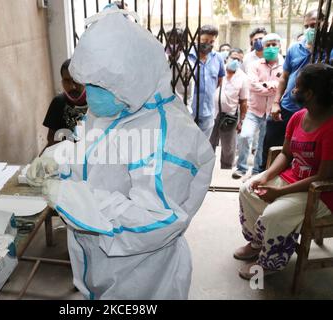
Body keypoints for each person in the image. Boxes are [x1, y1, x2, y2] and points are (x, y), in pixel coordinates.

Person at [27, 6, 215, 299]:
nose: (89, 93)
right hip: (99, 265)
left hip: (141, 275)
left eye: (97, 84)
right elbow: (92, 155)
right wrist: (56, 161)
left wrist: (70, 197)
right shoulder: (116, 107)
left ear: (131, 77)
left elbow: (153, 220)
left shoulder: (170, 136)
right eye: (86, 82)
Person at [234, 63, 333, 279]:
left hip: (320, 193)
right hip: (293, 179)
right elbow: (286, 154)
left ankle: (270, 262)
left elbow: (323, 177)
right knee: (248, 189)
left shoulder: (330, 128)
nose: (292, 91)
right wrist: (266, 177)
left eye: (296, 87)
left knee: (273, 215)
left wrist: (279, 193)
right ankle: (257, 243)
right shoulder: (298, 117)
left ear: (310, 93)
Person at [259, 10, 319, 172]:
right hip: (286, 107)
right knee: (271, 143)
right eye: (306, 26)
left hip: (311, 112)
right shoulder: (295, 49)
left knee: (300, 151)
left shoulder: (328, 51)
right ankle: (262, 174)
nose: (310, 30)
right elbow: (284, 78)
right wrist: (276, 103)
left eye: (313, 25)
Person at [233, 34, 283, 179]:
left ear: (279, 46)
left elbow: (282, 85)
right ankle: (241, 168)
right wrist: (273, 86)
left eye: (274, 44)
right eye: (268, 45)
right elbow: (252, 86)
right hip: (254, 110)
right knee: (244, 136)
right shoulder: (254, 65)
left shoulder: (284, 65)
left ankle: (256, 172)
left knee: (262, 144)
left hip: (271, 112)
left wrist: (267, 85)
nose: (271, 47)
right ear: (263, 47)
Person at [210, 48, 248, 169]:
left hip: (229, 116)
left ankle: (225, 171)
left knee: (229, 148)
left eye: (239, 59)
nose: (236, 61)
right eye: (234, 58)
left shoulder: (243, 77)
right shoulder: (218, 69)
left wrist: (241, 120)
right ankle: (204, 171)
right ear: (228, 58)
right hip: (211, 114)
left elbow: (243, 101)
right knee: (207, 144)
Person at [189, 25, 225, 138]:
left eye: (211, 41)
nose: (207, 44)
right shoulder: (187, 57)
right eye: (204, 40)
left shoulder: (218, 58)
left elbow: (219, 80)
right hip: (188, 111)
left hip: (208, 111)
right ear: (196, 39)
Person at [42, 59, 87, 149]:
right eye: (67, 80)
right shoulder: (58, 102)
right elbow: (51, 139)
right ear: (62, 82)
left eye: (76, 80)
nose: (72, 86)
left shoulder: (96, 103)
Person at [165, 28, 193, 113]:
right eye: (169, 41)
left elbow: (189, 93)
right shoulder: (161, 62)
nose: (171, 44)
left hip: (180, 109)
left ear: (182, 45)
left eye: (175, 42)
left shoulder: (188, 65)